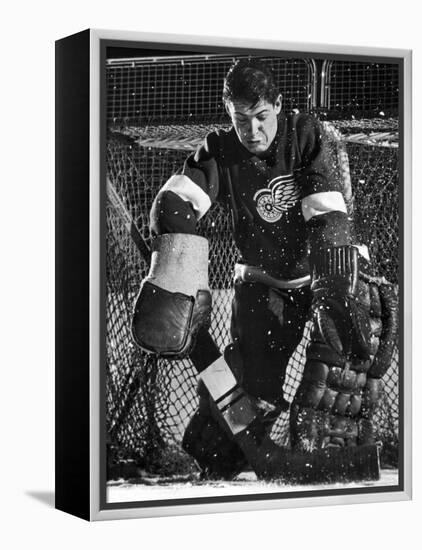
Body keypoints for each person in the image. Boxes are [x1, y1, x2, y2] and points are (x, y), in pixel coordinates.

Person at [133, 58, 394, 481]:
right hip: (262, 283)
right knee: (250, 384)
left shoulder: (304, 134)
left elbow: (327, 213)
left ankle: (334, 452)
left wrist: (336, 278)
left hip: (318, 275)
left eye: (261, 117)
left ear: (277, 105)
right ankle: (227, 455)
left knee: (345, 366)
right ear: (228, 114)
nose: (252, 131)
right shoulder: (220, 148)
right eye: (240, 120)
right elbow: (175, 202)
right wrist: (173, 260)